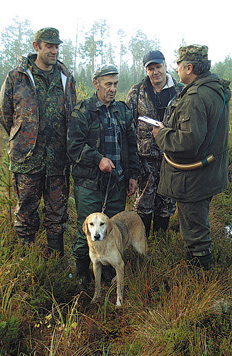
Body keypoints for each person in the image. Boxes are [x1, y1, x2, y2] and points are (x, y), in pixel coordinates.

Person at [0, 27, 76, 255]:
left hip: (58, 159)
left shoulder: (65, 77)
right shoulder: (17, 76)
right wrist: (22, 136)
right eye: (49, 46)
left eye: (57, 46)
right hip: (27, 158)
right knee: (26, 211)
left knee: (57, 213)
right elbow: (4, 114)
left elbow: (71, 112)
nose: (54, 50)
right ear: (36, 47)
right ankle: (27, 261)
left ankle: (56, 261)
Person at [153, 45, 231, 270]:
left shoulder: (195, 97)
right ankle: (200, 270)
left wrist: (161, 134)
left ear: (189, 67)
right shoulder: (215, 88)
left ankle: (202, 279)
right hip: (208, 174)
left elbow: (187, 143)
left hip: (194, 179)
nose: (176, 69)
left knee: (196, 232)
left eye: (178, 65)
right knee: (197, 225)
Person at [67, 64, 140, 287]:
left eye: (116, 84)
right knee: (87, 230)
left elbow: (130, 145)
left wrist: (132, 175)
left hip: (116, 182)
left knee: (112, 230)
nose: (112, 88)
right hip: (89, 184)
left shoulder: (122, 111)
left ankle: (108, 271)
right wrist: (98, 159)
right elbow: (74, 146)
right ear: (96, 84)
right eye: (108, 84)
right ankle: (83, 273)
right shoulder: (83, 111)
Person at [125, 50, 182, 236]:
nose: (155, 71)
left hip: (171, 159)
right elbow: (127, 128)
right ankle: (142, 243)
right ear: (146, 70)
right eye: (150, 68)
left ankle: (160, 244)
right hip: (145, 161)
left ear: (165, 66)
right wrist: (131, 165)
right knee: (143, 203)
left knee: (166, 202)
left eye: (158, 67)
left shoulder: (180, 92)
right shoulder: (136, 92)